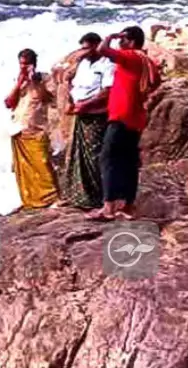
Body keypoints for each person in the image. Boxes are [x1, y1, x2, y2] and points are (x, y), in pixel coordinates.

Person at [86, 25, 160, 221]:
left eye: (123, 39)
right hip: (136, 117)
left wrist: (110, 36)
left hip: (121, 115)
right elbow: (155, 83)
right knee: (127, 162)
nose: (120, 42)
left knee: (107, 158)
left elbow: (102, 50)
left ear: (131, 41)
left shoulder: (130, 57)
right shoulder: (147, 61)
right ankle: (127, 205)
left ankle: (109, 207)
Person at [62, 32, 115, 210]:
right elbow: (73, 84)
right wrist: (72, 99)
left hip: (97, 115)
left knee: (95, 156)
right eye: (83, 48)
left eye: (87, 48)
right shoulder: (83, 63)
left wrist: (87, 104)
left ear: (96, 45)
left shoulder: (107, 63)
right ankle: (80, 196)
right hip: (81, 114)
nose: (84, 52)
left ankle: (99, 197)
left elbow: (107, 91)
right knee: (78, 156)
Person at [5, 48, 60, 212]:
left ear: (33, 64)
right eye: (21, 63)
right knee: (23, 169)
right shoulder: (19, 80)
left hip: (37, 128)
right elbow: (8, 103)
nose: (23, 67)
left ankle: (53, 198)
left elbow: (48, 98)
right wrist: (19, 83)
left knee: (42, 163)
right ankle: (31, 201)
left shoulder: (44, 79)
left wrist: (35, 81)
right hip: (19, 128)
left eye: (26, 64)